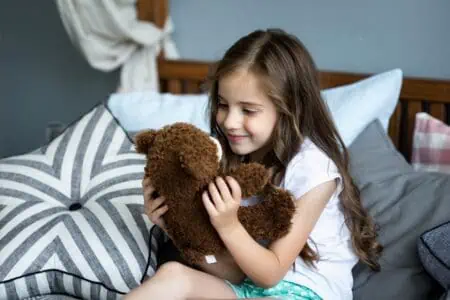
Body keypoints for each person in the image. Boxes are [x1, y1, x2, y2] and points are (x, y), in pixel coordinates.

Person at [124, 28, 382, 300]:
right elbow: (235, 274)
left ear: (288, 109)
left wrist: (229, 225)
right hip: (249, 290)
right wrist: (174, 225)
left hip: (304, 294)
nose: (229, 122)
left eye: (247, 110)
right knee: (173, 275)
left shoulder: (314, 170)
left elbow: (270, 275)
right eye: (223, 105)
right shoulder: (227, 158)